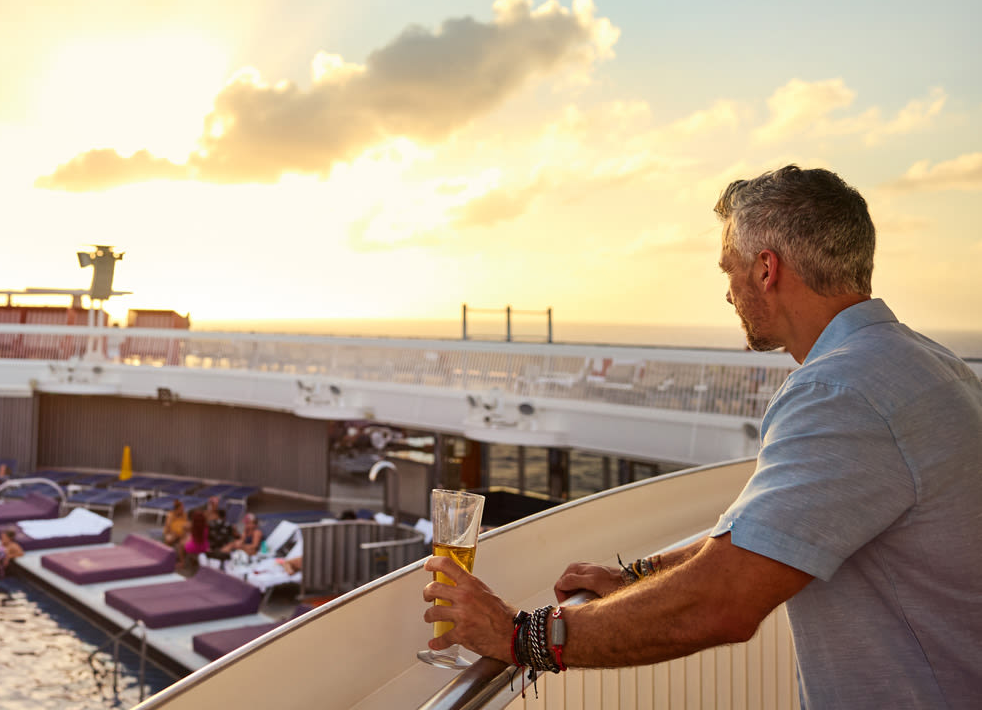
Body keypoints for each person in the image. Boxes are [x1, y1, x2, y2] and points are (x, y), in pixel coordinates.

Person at [421, 165, 982, 707]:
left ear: (766, 269)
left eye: (727, 269)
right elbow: (765, 536)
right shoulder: (930, 365)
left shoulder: (839, 391)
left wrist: (521, 636)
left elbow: (723, 601)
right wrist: (638, 576)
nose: (729, 292)